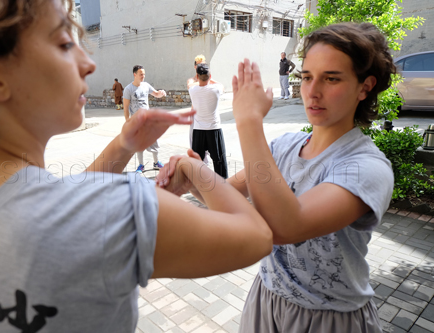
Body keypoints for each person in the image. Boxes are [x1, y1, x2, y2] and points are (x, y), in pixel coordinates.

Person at [0, 0, 274, 332]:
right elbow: (256, 236)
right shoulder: (116, 209)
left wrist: (122, 145)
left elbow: (53, 206)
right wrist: (222, 142)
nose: (88, 63)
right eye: (65, 43)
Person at [157, 22, 395, 332]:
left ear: (365, 86)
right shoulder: (284, 146)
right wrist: (192, 175)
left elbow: (286, 227)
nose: (313, 91)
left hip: (329, 315)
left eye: (331, 78)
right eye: (307, 77)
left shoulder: (367, 167)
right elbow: (228, 196)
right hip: (266, 297)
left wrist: (248, 121)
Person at [188, 63, 228, 178]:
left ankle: (198, 186)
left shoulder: (193, 90)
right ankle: (223, 186)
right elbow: (221, 85)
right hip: (214, 129)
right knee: (219, 161)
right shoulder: (216, 89)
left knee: (197, 162)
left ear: (197, 76)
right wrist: (210, 78)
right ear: (210, 76)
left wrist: (197, 77)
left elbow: (190, 83)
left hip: (198, 130)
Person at [123, 65, 166, 172]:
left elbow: (156, 94)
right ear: (135, 74)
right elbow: (125, 107)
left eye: (144, 74)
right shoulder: (128, 89)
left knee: (154, 142)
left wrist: (161, 93)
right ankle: (141, 165)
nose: (143, 76)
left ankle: (156, 163)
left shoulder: (146, 85)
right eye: (141, 74)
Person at [187, 54, 214, 166]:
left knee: (209, 139)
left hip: (207, 114)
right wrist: (203, 79)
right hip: (195, 114)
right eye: (199, 65)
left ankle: (206, 164)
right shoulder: (191, 80)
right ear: (195, 67)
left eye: (203, 65)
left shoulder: (209, 78)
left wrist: (207, 77)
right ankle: (198, 164)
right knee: (194, 140)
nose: (201, 68)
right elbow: (190, 85)